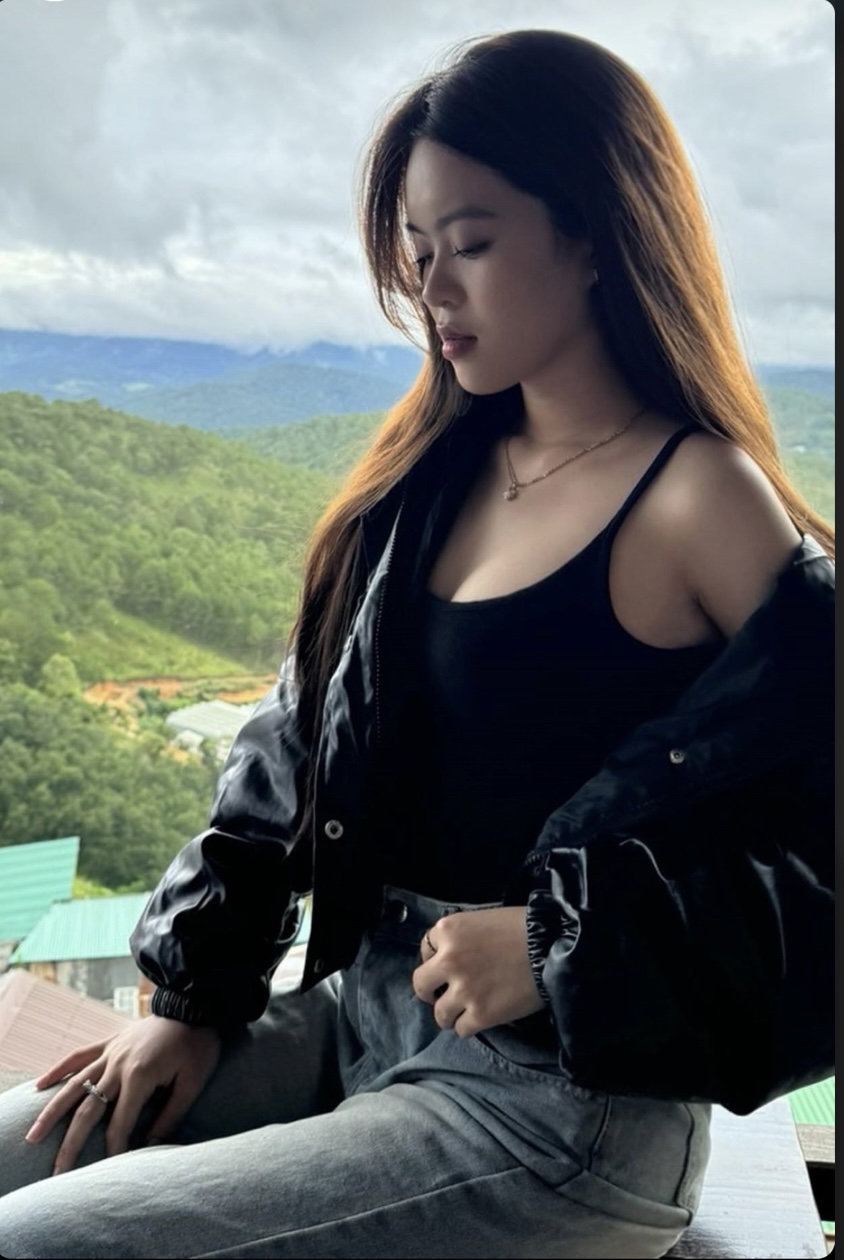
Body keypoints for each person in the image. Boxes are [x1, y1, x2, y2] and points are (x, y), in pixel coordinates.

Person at [0, 28, 833, 1260]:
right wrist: (190, 998)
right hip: (360, 1013)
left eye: (473, 245)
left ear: (597, 236)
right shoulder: (431, 479)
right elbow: (290, 748)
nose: (432, 290)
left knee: (40, 1242)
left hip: (561, 1108)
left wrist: (557, 948)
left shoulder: (697, 500)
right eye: (416, 251)